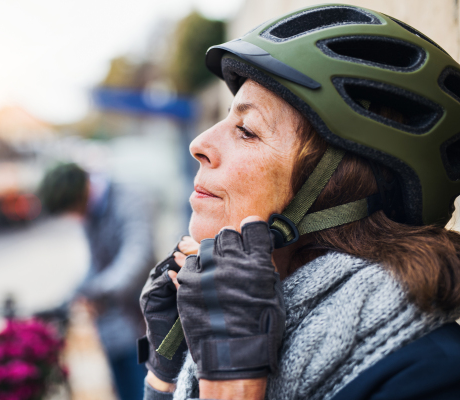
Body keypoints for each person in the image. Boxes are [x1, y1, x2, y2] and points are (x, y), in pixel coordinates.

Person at [139, 4, 460, 400]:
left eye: (247, 130)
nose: (199, 144)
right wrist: (165, 372)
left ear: (337, 189)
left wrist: (232, 384)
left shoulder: (432, 377)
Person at [39, 163, 153, 400]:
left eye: (72, 210)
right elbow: (95, 263)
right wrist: (72, 295)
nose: (74, 217)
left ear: (82, 193)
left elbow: (137, 258)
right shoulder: (90, 211)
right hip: (112, 322)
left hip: (144, 319)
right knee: (124, 389)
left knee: (146, 388)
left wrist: (97, 290)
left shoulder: (128, 199)